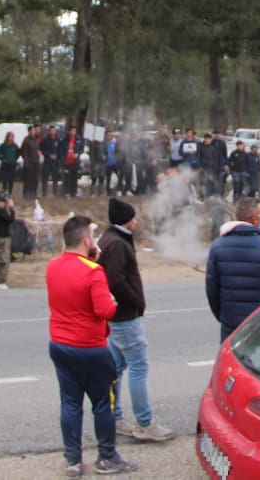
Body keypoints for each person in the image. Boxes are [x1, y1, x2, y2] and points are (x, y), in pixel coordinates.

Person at [46, 215, 138, 476]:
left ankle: (73, 458)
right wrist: (109, 296)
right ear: (86, 241)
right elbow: (105, 309)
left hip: (61, 344)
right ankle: (107, 456)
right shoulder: (94, 272)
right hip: (91, 347)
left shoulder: (53, 266)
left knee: (70, 402)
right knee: (103, 404)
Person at [97, 198, 174, 443]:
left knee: (116, 368)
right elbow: (115, 279)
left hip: (115, 317)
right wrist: (133, 301)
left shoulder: (107, 239)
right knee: (139, 366)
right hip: (124, 317)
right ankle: (144, 423)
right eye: (133, 217)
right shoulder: (118, 244)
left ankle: (115, 417)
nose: (136, 221)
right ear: (125, 220)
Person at [205, 198, 260, 342]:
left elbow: (212, 290)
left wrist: (224, 316)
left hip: (231, 325)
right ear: (255, 219)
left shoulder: (217, 247)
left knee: (231, 362)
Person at [0, 190, 15, 289]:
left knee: (3, 259)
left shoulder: (0, 209)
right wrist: (12, 209)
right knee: (4, 260)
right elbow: (10, 219)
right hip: (2, 237)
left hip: (3, 236)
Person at [0, 132, 20, 197]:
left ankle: (10, 193)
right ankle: (4, 193)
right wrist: (3, 159)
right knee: (5, 180)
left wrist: (15, 159)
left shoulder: (15, 145)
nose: (11, 138)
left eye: (13, 137)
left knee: (11, 180)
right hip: (5, 165)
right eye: (10, 136)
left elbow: (18, 153)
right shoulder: (3, 145)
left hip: (12, 165)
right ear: (7, 137)